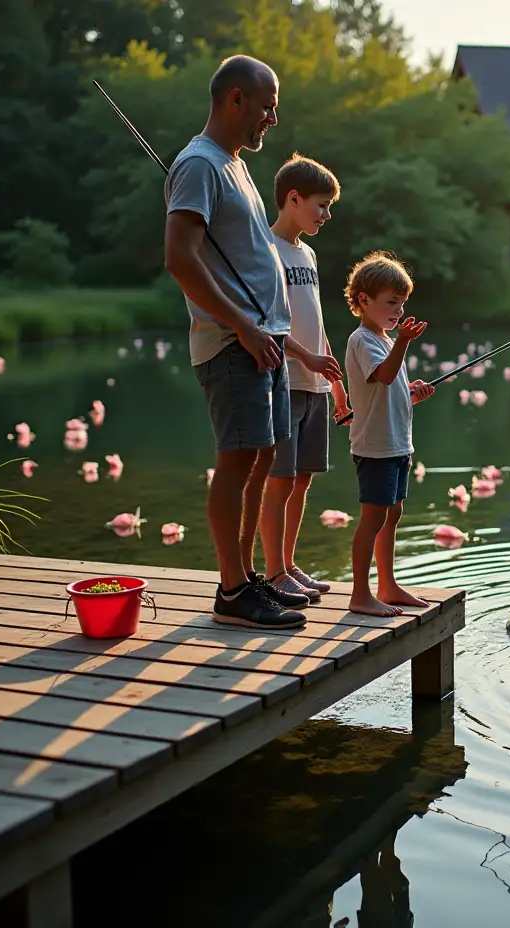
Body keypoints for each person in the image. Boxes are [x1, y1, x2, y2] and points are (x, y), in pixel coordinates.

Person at [163, 54, 342, 630]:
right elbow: (181, 260)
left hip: (263, 342)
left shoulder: (234, 166)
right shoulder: (198, 165)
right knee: (236, 462)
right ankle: (233, 590)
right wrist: (241, 323)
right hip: (231, 343)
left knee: (262, 458)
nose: (272, 118)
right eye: (267, 106)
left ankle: (250, 580)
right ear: (235, 98)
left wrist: (264, 326)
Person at [257, 154, 349, 602]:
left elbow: (315, 319)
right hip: (283, 380)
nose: (327, 215)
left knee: (302, 478)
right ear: (293, 199)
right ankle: (273, 573)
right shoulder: (265, 248)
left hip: (314, 382)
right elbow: (268, 321)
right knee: (279, 477)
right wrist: (305, 359)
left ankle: (290, 564)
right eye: (321, 205)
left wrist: (335, 382)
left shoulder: (308, 253)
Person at [343, 252, 435, 617]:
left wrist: (412, 393)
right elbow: (381, 376)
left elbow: (389, 389)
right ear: (364, 301)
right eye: (391, 303)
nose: (398, 310)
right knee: (373, 518)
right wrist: (403, 343)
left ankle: (387, 584)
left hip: (397, 445)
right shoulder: (363, 339)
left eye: (402, 303)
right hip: (375, 448)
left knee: (392, 513)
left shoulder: (384, 340)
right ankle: (360, 593)